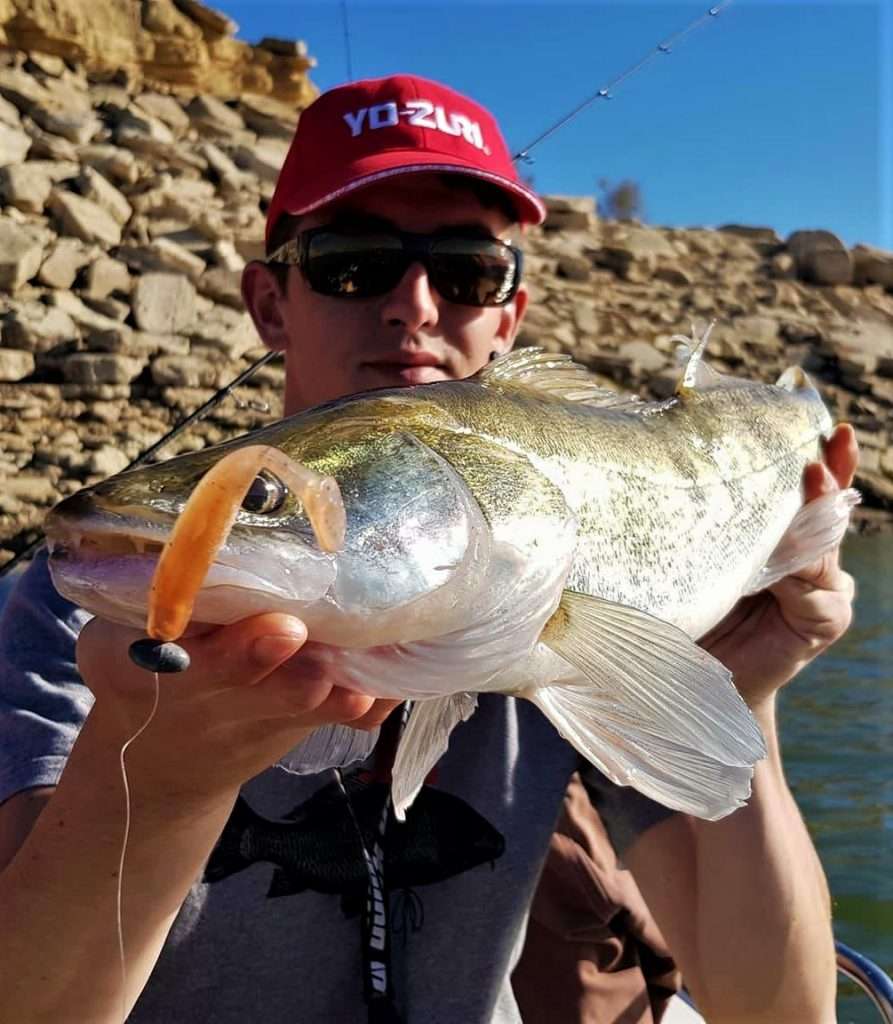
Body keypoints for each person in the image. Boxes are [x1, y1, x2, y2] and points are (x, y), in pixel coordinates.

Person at [0, 74, 857, 1024]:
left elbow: (777, 1011)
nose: (413, 306)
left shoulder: (572, 628)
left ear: (509, 317)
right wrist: (154, 790)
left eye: (466, 272)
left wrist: (740, 694)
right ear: (269, 301)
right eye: (353, 262)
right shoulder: (83, 610)